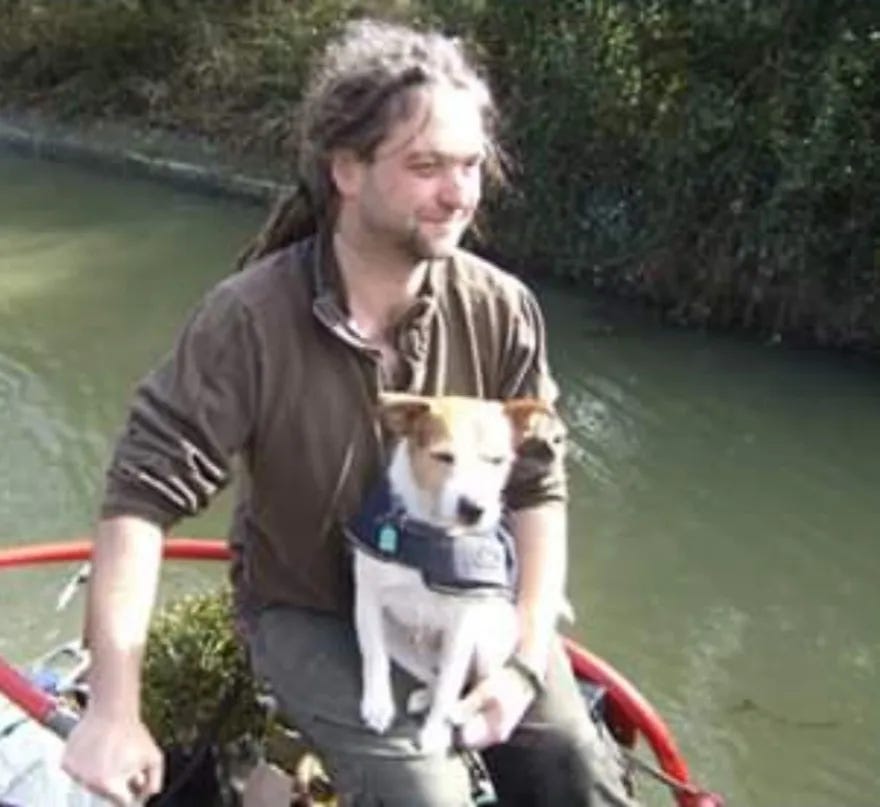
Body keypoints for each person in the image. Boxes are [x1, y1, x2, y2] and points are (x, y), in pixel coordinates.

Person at [62, 18, 636, 807]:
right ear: (348, 171)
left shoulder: (502, 308)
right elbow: (139, 498)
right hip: (312, 609)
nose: (459, 191)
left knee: (568, 757)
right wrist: (113, 709)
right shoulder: (249, 320)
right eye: (426, 165)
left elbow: (538, 489)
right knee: (425, 795)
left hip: (463, 593)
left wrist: (525, 663)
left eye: (470, 165)